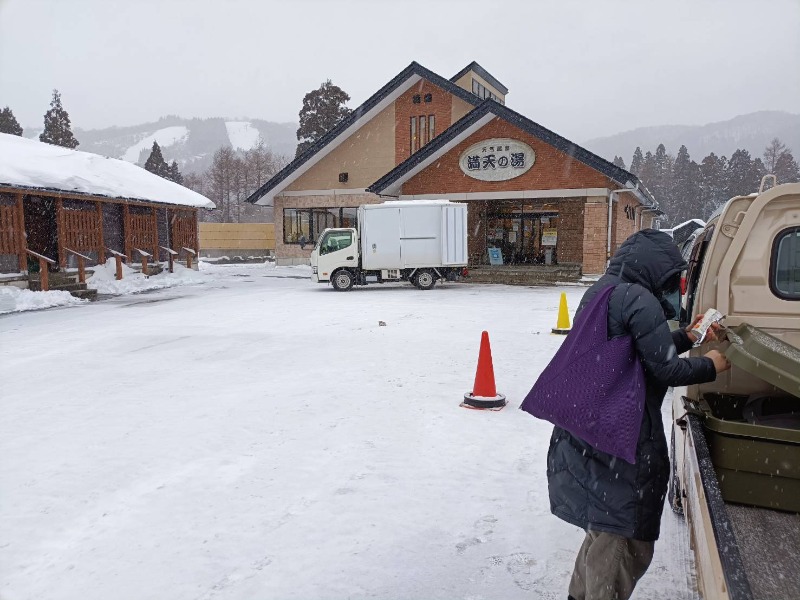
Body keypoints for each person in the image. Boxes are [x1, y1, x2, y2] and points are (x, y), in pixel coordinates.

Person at [546, 229, 730, 600]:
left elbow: (638, 350)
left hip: (593, 433)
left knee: (603, 529)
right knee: (625, 540)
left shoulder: (604, 290)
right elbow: (665, 370)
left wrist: (690, 337)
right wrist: (712, 365)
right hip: (623, 439)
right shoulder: (640, 299)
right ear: (658, 270)